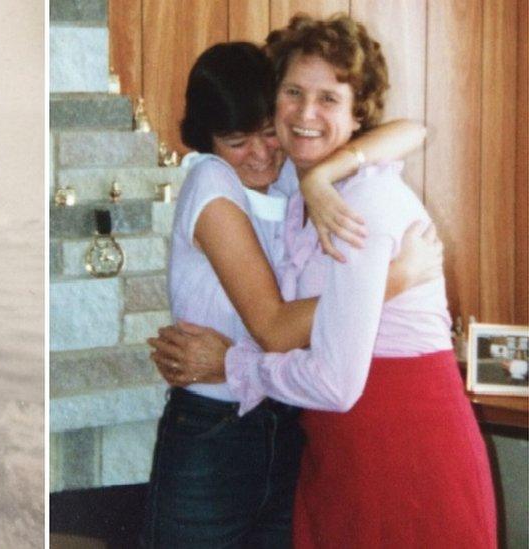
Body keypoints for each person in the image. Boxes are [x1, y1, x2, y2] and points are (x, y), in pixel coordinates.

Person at [151, 15, 496, 549]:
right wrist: (391, 272)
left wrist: (229, 363)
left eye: (328, 99)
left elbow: (414, 130)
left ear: (358, 111)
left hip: (399, 447)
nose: (305, 114)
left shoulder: (356, 196)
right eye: (293, 92)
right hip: (323, 441)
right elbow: (280, 327)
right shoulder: (292, 184)